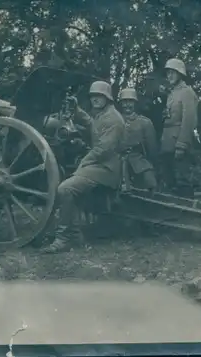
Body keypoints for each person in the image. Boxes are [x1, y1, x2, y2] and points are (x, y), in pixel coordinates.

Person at [41, 81, 125, 253]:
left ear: (107, 98)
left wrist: (83, 162)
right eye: (93, 96)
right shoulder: (102, 115)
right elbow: (90, 125)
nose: (95, 99)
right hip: (98, 166)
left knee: (66, 188)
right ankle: (75, 233)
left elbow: (103, 149)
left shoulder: (114, 119)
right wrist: (76, 109)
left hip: (106, 169)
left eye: (99, 96)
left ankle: (64, 238)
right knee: (69, 184)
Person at [158, 58, 199, 198]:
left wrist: (182, 144)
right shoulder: (171, 94)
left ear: (180, 74)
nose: (169, 76)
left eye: (173, 73)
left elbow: (189, 120)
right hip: (168, 142)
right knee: (170, 181)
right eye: (168, 73)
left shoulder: (187, 92)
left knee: (182, 181)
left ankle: (189, 216)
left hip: (178, 142)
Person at [118, 88, 158, 192]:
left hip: (138, 160)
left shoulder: (145, 123)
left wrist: (150, 163)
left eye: (130, 101)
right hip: (116, 161)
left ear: (135, 103)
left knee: (150, 182)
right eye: (124, 102)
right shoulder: (114, 120)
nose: (127, 105)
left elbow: (152, 148)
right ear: (121, 103)